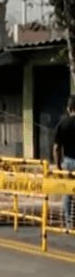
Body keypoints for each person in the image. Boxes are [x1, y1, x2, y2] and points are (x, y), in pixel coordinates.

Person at [54, 94, 75, 229]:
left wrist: (57, 167)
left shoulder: (63, 123)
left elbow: (56, 148)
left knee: (68, 194)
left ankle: (69, 223)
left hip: (68, 162)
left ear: (70, 108)